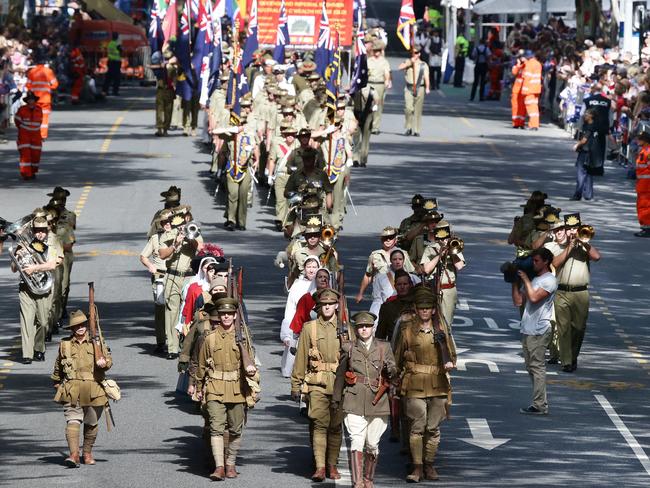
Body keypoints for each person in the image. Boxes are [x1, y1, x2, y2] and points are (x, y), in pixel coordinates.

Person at [394, 286, 456, 482]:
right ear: (415, 308)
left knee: (433, 428)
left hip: (437, 384)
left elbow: (452, 355)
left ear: (434, 310)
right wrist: (394, 381)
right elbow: (396, 358)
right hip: (414, 385)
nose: (424, 311)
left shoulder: (441, 329)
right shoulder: (406, 331)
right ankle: (417, 467)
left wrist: (449, 362)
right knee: (417, 427)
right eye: (421, 308)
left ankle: (429, 464)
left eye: (428, 308)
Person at [194, 297, 258, 480]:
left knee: (236, 429)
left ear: (235, 315)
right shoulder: (210, 339)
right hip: (214, 387)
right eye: (223, 314)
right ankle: (219, 467)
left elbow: (251, 364)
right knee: (216, 427)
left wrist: (252, 375)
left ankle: (231, 463)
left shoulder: (243, 338)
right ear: (219, 316)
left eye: (230, 314)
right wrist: (199, 387)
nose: (226, 317)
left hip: (238, 389)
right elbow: (201, 367)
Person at [332, 311, 397, 488]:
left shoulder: (384, 347)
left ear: (373, 328)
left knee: (372, 444)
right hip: (354, 399)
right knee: (356, 440)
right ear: (356, 329)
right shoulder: (349, 348)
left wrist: (391, 370)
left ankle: (368, 479)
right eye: (360, 327)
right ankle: (358, 482)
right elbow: (340, 375)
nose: (364, 330)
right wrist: (336, 399)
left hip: (378, 401)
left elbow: (394, 372)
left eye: (367, 327)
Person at [291, 288, 344, 482]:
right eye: (324, 304)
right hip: (317, 383)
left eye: (331, 304)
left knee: (336, 426)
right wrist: (296, 385)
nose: (327, 307)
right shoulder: (309, 328)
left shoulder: (346, 329)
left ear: (337, 306)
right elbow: (301, 358)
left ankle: (332, 464)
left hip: (340, 384)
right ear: (319, 306)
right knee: (319, 424)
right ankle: (320, 467)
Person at [51, 310, 112, 467]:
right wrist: (56, 382)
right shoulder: (64, 344)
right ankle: (74, 455)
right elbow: (58, 365)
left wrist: (104, 363)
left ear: (86, 326)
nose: (80, 328)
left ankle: (87, 452)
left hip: (94, 389)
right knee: (73, 420)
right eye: (76, 325)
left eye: (82, 324)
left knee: (91, 423)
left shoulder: (97, 342)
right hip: (72, 389)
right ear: (71, 329)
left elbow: (109, 361)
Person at [545, 214, 600, 372]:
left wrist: (585, 243)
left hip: (581, 293)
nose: (573, 231)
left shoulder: (584, 246)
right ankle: (567, 362)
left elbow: (597, 257)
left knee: (579, 328)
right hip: (562, 291)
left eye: (575, 228)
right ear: (565, 230)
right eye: (570, 229)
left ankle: (572, 357)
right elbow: (554, 264)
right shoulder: (556, 247)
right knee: (564, 328)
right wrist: (569, 246)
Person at [11, 216, 63, 363]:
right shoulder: (23, 245)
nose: (40, 233)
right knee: (26, 321)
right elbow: (14, 269)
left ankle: (38, 348)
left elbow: (52, 265)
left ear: (47, 231)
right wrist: (17, 255)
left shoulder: (50, 247)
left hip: (44, 287)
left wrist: (34, 268)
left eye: (43, 230)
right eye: (37, 230)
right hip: (26, 288)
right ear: (32, 231)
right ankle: (27, 354)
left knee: (43, 322)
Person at [513, 248, 557, 415]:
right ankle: (540, 402)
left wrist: (525, 279)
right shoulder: (535, 279)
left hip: (539, 329)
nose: (533, 263)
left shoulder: (549, 280)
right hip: (528, 328)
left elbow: (534, 298)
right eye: (533, 260)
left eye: (537, 260)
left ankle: (540, 405)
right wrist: (514, 281)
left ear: (546, 261)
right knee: (530, 367)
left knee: (537, 367)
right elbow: (518, 301)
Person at [159, 211, 203, 359]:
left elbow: (201, 249)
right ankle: (172, 347)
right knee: (172, 311)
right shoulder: (168, 234)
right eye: (179, 224)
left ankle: (187, 345)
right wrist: (175, 243)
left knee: (188, 311)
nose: (182, 226)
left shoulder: (194, 230)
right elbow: (162, 254)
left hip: (188, 277)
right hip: (172, 276)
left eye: (184, 223)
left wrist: (189, 238)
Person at [419, 220, 466, 329]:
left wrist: (451, 251)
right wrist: (440, 254)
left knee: (445, 324)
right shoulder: (430, 249)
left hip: (448, 290)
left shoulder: (455, 247)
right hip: (432, 288)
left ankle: (446, 341)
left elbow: (459, 266)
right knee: (429, 321)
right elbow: (426, 269)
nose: (444, 238)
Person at [280, 256, 319, 378]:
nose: (311, 270)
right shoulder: (297, 285)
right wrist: (287, 333)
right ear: (304, 269)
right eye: (309, 267)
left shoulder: (323, 283)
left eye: (314, 267)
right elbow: (290, 308)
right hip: (298, 323)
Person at [140, 208, 172, 354]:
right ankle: (161, 341)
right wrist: (150, 266)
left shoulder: (179, 236)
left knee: (176, 309)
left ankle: (175, 341)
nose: (167, 224)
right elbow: (143, 256)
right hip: (160, 276)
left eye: (170, 221)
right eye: (165, 222)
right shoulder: (155, 238)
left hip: (175, 276)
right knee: (160, 309)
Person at [356, 226, 414, 305]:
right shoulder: (375, 255)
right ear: (381, 240)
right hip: (381, 296)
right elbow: (368, 275)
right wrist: (360, 293)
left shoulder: (403, 254)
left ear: (395, 239)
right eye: (385, 238)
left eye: (391, 237)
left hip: (401, 295)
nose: (388, 240)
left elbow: (411, 274)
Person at [398, 46, 429, 137]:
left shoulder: (423, 64)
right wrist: (410, 62)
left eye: (416, 53)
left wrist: (427, 88)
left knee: (417, 110)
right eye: (413, 53)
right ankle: (408, 127)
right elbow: (400, 67)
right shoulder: (408, 62)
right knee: (408, 109)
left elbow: (426, 77)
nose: (414, 54)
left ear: (419, 54)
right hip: (409, 88)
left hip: (420, 88)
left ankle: (416, 129)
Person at [581, 83, 611, 172]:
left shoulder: (587, 100)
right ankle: (599, 168)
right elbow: (610, 115)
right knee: (601, 146)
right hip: (603, 126)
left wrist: (583, 124)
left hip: (590, 126)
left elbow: (582, 113)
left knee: (589, 145)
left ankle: (589, 166)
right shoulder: (607, 101)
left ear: (593, 89)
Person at [26, 57, 58, 139]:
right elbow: (55, 84)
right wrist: (48, 88)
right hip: (45, 99)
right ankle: (42, 135)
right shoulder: (48, 71)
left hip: (34, 99)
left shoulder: (32, 72)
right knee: (44, 117)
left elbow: (28, 85)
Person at [571, 109, 599, 201]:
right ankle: (588, 195)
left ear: (591, 116)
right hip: (592, 152)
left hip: (585, 151)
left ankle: (577, 194)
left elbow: (584, 140)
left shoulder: (590, 126)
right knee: (588, 173)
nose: (584, 115)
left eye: (586, 114)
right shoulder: (593, 125)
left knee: (581, 173)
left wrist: (577, 145)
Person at [14, 91, 43, 179]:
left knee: (35, 155)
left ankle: (33, 171)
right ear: (27, 101)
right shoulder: (22, 109)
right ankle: (26, 174)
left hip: (36, 135)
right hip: (24, 134)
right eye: (29, 100)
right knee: (25, 154)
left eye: (32, 100)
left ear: (35, 101)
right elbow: (17, 121)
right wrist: (23, 129)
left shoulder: (39, 109)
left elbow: (40, 122)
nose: (31, 101)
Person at [367, 40, 391, 134]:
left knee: (378, 105)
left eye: (378, 51)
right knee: (368, 105)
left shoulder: (384, 62)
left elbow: (386, 73)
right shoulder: (369, 60)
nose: (376, 52)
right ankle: (368, 124)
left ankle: (375, 127)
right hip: (370, 84)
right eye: (375, 50)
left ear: (381, 51)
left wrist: (387, 81)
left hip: (379, 84)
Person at [635, 125, 650, 237]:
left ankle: (647, 229)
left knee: (645, 207)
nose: (637, 140)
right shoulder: (643, 151)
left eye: (639, 139)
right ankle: (644, 227)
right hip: (642, 185)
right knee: (642, 206)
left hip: (647, 186)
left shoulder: (648, 152)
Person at [521, 51, 542, 130]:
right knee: (535, 107)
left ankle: (533, 125)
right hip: (536, 88)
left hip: (529, 89)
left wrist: (524, 90)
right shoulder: (538, 64)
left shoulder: (529, 64)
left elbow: (527, 77)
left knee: (531, 108)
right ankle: (535, 124)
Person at [470, 37, 491, 102]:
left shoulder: (476, 49)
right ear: (484, 42)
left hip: (477, 65)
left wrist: (476, 58)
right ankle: (481, 97)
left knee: (475, 81)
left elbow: (473, 56)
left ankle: (472, 97)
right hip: (484, 65)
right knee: (482, 82)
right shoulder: (486, 49)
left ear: (479, 42)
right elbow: (489, 56)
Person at [103, 32, 122, 96]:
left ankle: (105, 91)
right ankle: (115, 91)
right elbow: (121, 51)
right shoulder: (117, 44)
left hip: (110, 61)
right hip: (116, 62)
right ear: (117, 37)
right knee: (117, 78)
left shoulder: (110, 43)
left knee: (108, 77)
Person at [511, 52, 526, 129]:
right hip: (516, 89)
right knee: (515, 106)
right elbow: (514, 72)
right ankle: (515, 122)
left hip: (524, 90)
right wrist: (518, 65)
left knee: (522, 107)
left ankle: (521, 123)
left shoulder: (528, 65)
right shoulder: (517, 65)